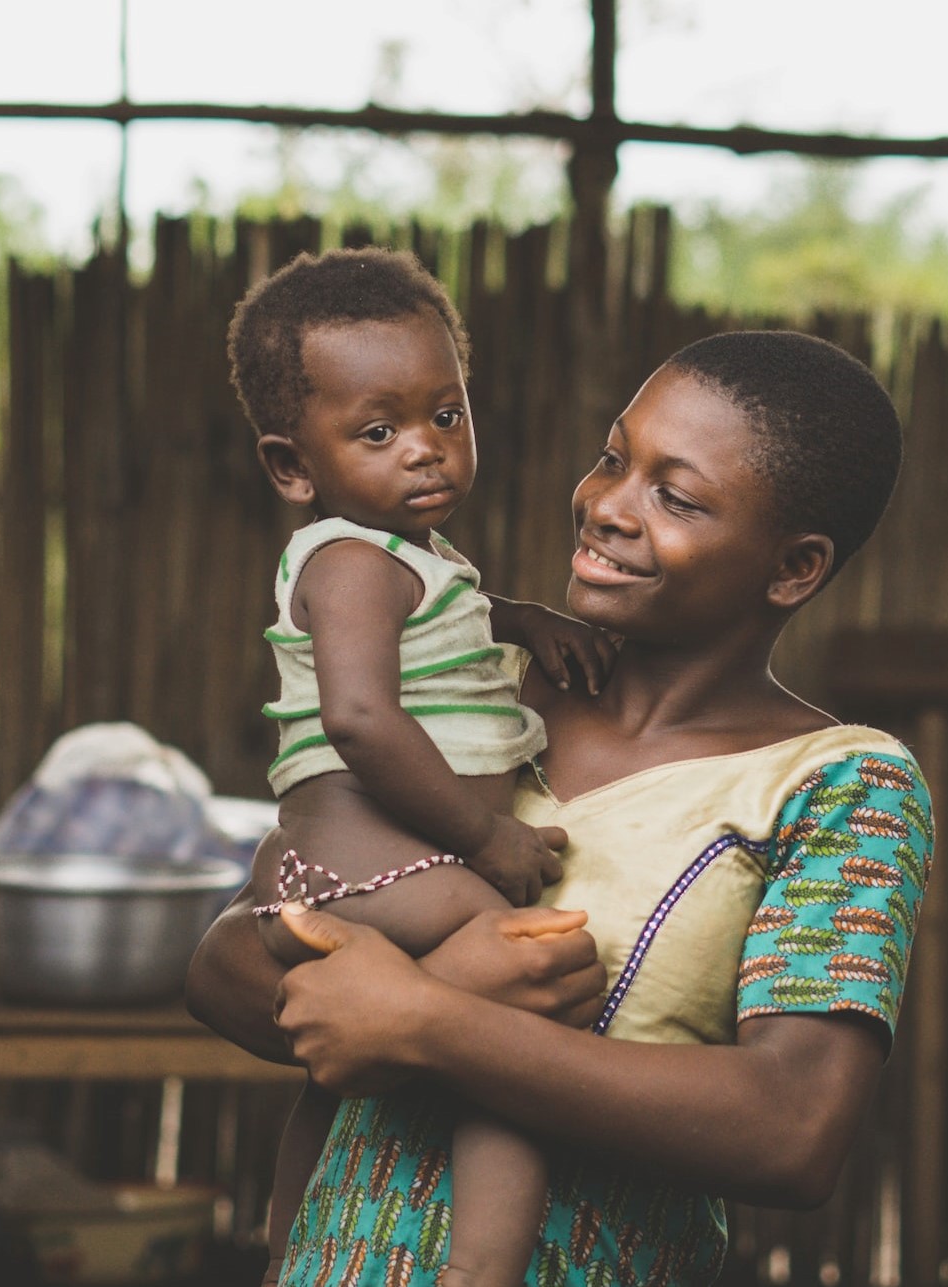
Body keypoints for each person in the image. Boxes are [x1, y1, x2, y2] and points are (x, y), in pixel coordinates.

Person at [187, 327, 935, 1287]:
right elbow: (227, 962)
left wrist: (426, 1017)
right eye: (613, 458)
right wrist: (371, 988)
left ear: (792, 568)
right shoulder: (467, 689)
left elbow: (791, 1129)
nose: (607, 507)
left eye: (676, 496)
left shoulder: (841, 787)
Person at [214, 246, 620, 1287]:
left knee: (353, 1067)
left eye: (448, 414)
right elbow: (360, 719)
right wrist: (486, 839)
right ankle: (482, 1271)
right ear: (292, 467)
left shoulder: (412, 561)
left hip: (354, 874)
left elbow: (445, 630)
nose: (428, 451)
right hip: (376, 870)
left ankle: (286, 1253)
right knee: (517, 1022)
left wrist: (518, 616)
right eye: (379, 430)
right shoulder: (351, 562)